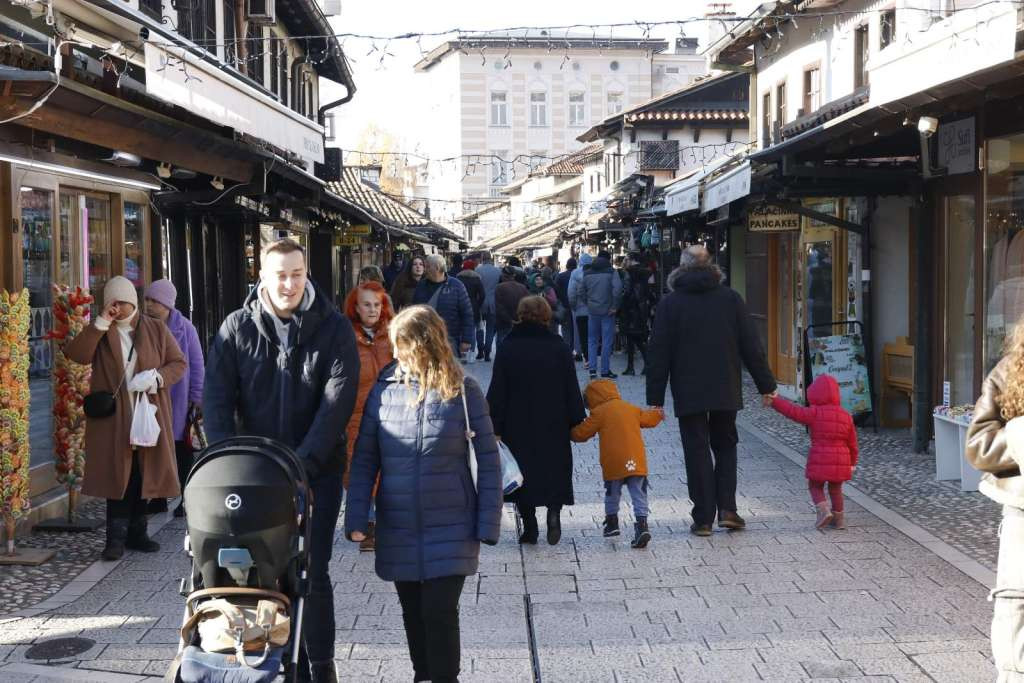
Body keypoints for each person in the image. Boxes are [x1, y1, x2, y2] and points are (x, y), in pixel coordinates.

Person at [204, 238, 359, 683]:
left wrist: (302, 467)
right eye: (280, 275)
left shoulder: (333, 328)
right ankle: (271, 660)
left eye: (296, 273)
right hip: (255, 476)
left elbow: (337, 402)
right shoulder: (236, 328)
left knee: (314, 569)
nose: (289, 283)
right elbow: (216, 400)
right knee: (262, 573)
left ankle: (322, 667)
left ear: (306, 274)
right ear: (263, 278)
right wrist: (227, 465)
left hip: (318, 473)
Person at [345, 305, 502, 683]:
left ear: (424, 344)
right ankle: (422, 675)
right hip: (398, 523)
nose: (395, 354)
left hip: (452, 523)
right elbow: (366, 457)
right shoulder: (385, 388)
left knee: (439, 611)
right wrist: (356, 518)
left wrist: (487, 523)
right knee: (413, 612)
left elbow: (489, 462)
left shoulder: (463, 392)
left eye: (402, 345)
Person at [646, 245, 777, 538]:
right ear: (711, 266)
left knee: (696, 450)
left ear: (681, 267)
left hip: (688, 388)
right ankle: (728, 509)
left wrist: (654, 399)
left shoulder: (671, 304)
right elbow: (750, 346)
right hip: (724, 386)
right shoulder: (730, 299)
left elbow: (658, 353)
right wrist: (766, 385)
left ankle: (703, 518)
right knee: (726, 445)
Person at [65, 276, 185, 561]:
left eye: (123, 301)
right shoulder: (102, 332)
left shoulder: (154, 328)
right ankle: (115, 538)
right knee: (117, 475)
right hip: (113, 418)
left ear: (133, 301)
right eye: (112, 302)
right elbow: (77, 355)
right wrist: (100, 323)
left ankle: (138, 533)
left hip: (148, 412)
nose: (118, 307)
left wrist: (156, 377)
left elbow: (178, 363)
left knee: (143, 472)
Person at [487, 296, 585, 545]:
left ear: (520, 315)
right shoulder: (559, 346)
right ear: (546, 316)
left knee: (524, 473)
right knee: (554, 469)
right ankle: (554, 514)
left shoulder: (508, 346)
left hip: (517, 422)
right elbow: (570, 387)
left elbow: (498, 389)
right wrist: (576, 418)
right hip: (554, 421)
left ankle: (529, 527)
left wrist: (494, 425)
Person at [966, 323, 1024, 682]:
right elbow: (979, 445)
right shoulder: (1011, 369)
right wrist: (1020, 435)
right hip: (1022, 510)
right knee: (1017, 607)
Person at [571, 379, 663, 548]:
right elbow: (648, 419)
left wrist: (569, 432)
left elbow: (582, 433)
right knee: (638, 494)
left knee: (612, 494)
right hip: (634, 462)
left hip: (614, 463)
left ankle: (612, 523)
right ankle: (642, 524)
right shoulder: (630, 408)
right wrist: (658, 414)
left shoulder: (599, 413)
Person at [142, 279, 204, 518]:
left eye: (154, 301)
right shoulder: (143, 326)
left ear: (167, 304)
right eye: (147, 300)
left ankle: (185, 499)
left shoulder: (185, 328)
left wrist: (196, 398)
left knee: (182, 452)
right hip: (152, 398)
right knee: (156, 449)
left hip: (179, 399)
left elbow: (197, 364)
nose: (149, 305)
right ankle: (157, 498)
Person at [342, 281, 395, 552]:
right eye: (367, 304)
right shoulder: (344, 338)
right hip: (357, 416)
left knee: (389, 470)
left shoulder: (395, 335)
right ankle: (367, 525)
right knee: (360, 471)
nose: (373, 309)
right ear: (356, 307)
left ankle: (386, 524)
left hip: (392, 414)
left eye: (377, 304)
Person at [767, 375, 858, 529]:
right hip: (841, 461)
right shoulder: (846, 416)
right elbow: (853, 444)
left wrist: (775, 402)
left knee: (815, 486)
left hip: (820, 458)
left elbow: (793, 411)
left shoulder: (814, 412)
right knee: (836, 489)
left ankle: (823, 511)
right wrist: (852, 463)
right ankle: (839, 519)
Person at [413, 254, 475, 358]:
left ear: (437, 268)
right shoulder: (421, 285)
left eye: (427, 266)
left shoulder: (457, 286)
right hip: (425, 340)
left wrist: (467, 339)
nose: (425, 270)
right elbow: (413, 310)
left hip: (449, 340)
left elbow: (467, 313)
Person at [574, 250, 622, 380]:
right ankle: (605, 370)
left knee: (592, 341)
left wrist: (588, 303)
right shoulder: (612, 272)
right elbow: (617, 290)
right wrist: (614, 306)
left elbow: (580, 291)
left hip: (592, 311)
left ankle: (592, 370)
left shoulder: (587, 273)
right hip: (608, 311)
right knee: (606, 341)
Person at [621, 255, 654, 376]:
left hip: (631, 310)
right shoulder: (645, 274)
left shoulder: (630, 274)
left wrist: (623, 301)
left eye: (627, 259)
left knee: (634, 339)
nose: (625, 262)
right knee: (636, 338)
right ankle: (636, 366)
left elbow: (628, 292)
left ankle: (637, 366)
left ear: (632, 261)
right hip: (641, 309)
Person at [456, 259, 485, 364]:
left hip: (458, 307)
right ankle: (471, 354)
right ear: (473, 268)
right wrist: (478, 304)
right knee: (471, 331)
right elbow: (482, 295)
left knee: (459, 330)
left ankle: (461, 353)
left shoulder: (458, 279)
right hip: (473, 307)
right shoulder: (477, 279)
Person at [494, 266, 529, 350]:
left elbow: (499, 307)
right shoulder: (522, 288)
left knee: (502, 344)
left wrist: (509, 320)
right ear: (514, 276)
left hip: (503, 322)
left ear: (503, 275)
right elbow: (527, 305)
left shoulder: (499, 287)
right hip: (519, 321)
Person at [567, 253, 593, 364]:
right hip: (593, 309)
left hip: (580, 308)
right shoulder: (594, 272)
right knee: (592, 335)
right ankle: (592, 358)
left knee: (580, 334)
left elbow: (571, 293)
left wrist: (574, 307)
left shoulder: (575, 273)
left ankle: (583, 356)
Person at [476, 254, 501, 362]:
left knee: (479, 327)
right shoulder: (498, 271)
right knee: (490, 329)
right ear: (491, 259)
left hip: (480, 303)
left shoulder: (477, 270)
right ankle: (487, 353)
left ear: (482, 259)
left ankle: (480, 351)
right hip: (493, 303)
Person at [555, 257, 576, 351]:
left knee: (566, 329)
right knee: (576, 329)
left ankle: (568, 349)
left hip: (564, 305)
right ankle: (577, 350)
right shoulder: (578, 275)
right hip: (576, 306)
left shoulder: (560, 276)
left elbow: (556, 290)